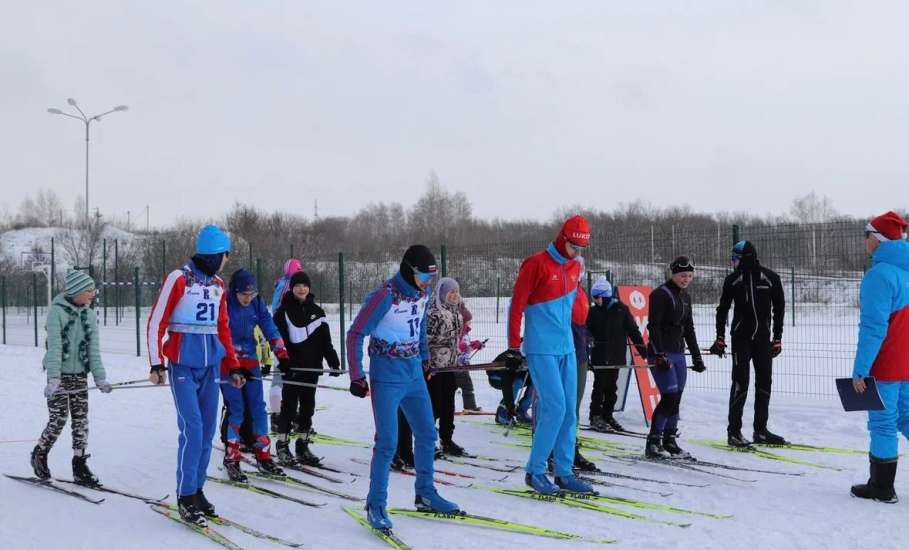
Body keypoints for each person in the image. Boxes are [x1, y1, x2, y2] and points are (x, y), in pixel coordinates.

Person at [347, 245, 459, 530]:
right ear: (409, 270)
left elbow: (420, 327)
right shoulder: (385, 295)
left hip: (413, 374)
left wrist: (424, 359)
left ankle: (425, 493)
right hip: (386, 375)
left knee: (426, 433)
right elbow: (355, 333)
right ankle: (376, 504)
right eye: (423, 275)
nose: (427, 282)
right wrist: (357, 375)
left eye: (431, 277)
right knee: (387, 442)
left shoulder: (421, 295)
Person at [147, 224, 240, 527]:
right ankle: (185, 495)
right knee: (193, 430)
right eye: (226, 254)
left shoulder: (218, 285)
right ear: (216, 254)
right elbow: (156, 321)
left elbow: (223, 327)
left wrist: (234, 365)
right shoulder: (179, 278)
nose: (227, 260)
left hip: (211, 366)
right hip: (182, 365)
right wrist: (156, 363)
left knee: (208, 432)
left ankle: (197, 490)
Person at [502, 215, 595, 495]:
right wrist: (512, 345)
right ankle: (535, 471)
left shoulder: (575, 266)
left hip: (567, 346)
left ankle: (564, 472)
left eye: (581, 249)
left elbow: (576, 309)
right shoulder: (536, 263)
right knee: (554, 408)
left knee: (569, 412)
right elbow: (516, 305)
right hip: (541, 348)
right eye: (573, 247)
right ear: (562, 239)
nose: (576, 254)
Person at [30, 270, 110, 485]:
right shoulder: (56, 313)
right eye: (89, 290)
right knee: (58, 419)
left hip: (79, 375)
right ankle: (40, 452)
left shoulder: (90, 315)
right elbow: (55, 347)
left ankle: (80, 464)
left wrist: (100, 378)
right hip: (59, 375)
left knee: (81, 420)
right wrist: (54, 377)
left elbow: (94, 349)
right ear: (76, 292)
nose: (93, 294)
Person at [850, 211, 909, 503]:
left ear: (878, 238)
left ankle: (882, 488)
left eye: (867, 235)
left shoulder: (880, 275)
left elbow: (873, 328)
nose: (865, 241)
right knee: (907, 417)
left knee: (883, 424)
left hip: (886, 365)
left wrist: (860, 370)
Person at [710, 241, 786, 447]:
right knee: (740, 383)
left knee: (764, 383)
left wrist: (777, 338)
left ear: (745, 257)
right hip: (740, 340)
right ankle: (733, 432)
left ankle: (760, 431)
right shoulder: (733, 280)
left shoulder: (770, 278)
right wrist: (720, 337)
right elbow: (722, 309)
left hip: (763, 340)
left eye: (735, 258)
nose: (733, 262)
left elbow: (779, 309)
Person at [220, 269, 289, 481]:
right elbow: (220, 334)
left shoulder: (256, 302)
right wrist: (233, 366)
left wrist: (281, 352)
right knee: (237, 410)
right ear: (234, 291)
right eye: (244, 294)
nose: (248, 299)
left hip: (250, 359)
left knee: (258, 407)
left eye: (251, 294)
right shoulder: (224, 302)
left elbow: (268, 325)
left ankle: (263, 455)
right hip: (227, 362)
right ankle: (232, 457)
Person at [272, 270, 341, 466]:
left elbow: (325, 342)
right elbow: (277, 341)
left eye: (304, 285)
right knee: (289, 407)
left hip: (312, 368)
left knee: (308, 407)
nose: (301, 288)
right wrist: (284, 362)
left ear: (309, 288)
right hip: (292, 369)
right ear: (292, 288)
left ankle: (302, 444)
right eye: (297, 285)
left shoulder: (318, 312)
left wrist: (333, 361)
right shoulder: (283, 312)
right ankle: (282, 444)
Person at [645, 256, 706, 459]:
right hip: (661, 354)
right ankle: (653, 442)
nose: (685, 279)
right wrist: (660, 354)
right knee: (669, 396)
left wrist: (697, 357)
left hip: (678, 354)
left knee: (676, 398)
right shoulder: (660, 294)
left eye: (689, 275)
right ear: (673, 274)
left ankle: (670, 441)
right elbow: (653, 327)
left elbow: (689, 329)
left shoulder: (685, 297)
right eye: (682, 275)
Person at [586, 277, 647, 433]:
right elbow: (586, 332)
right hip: (600, 355)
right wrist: (587, 348)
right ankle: (595, 416)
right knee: (599, 386)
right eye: (593, 297)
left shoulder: (621, 309)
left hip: (616, 355)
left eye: (597, 297)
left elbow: (633, 331)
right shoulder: (593, 312)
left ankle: (607, 414)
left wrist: (643, 351)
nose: (595, 301)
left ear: (606, 296)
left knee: (612, 387)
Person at [269, 258, 303, 431]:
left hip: (277, 333)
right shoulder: (290, 287)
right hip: (286, 335)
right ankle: (283, 416)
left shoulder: (280, 284)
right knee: (289, 376)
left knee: (280, 376)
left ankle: (277, 416)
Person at [570, 261, 597, 472]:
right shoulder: (559, 290)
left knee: (574, 406)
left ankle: (570, 447)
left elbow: (582, 322)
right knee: (559, 405)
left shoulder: (580, 291)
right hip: (561, 352)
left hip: (579, 351)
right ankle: (554, 450)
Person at [453, 302, 484, 412]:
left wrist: (477, 344)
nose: (470, 323)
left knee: (453, 387)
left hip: (462, 365)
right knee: (467, 386)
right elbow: (459, 347)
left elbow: (467, 344)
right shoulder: (458, 332)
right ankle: (470, 407)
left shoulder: (465, 332)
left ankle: (447, 407)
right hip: (458, 366)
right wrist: (471, 346)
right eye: (468, 321)